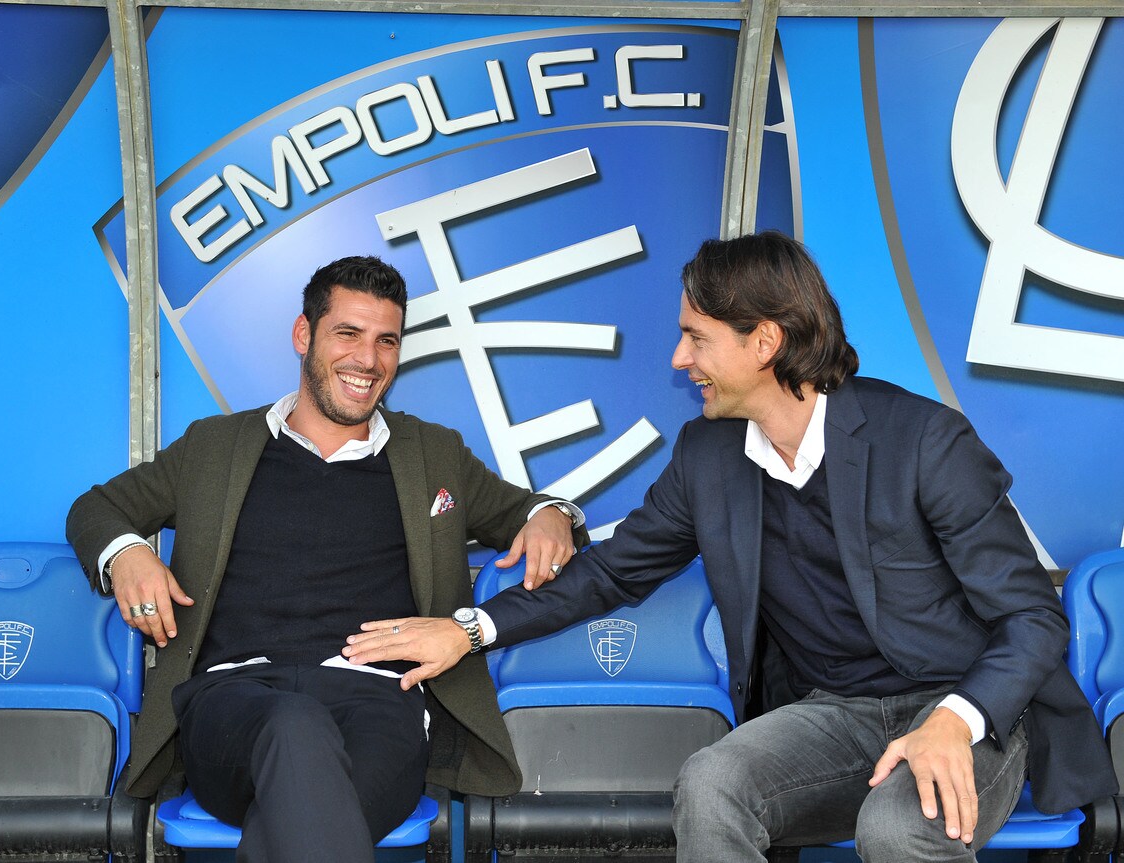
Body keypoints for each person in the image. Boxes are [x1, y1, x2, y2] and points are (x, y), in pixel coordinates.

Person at [344, 232, 1116, 862]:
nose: (679, 360)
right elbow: (610, 573)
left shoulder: (922, 440)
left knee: (896, 825)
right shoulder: (708, 456)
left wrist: (956, 717)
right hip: (832, 715)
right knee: (713, 781)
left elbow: (1033, 618)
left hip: (967, 711)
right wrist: (471, 628)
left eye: (695, 337)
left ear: (765, 341)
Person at [66, 256, 588, 863]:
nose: (368, 359)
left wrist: (554, 514)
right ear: (303, 334)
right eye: (348, 333)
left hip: (381, 705)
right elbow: (95, 510)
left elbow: (528, 511)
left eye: (386, 341)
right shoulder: (214, 447)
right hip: (234, 702)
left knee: (304, 807)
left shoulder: (433, 454)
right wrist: (128, 553)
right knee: (296, 727)